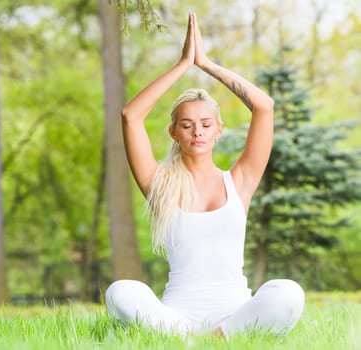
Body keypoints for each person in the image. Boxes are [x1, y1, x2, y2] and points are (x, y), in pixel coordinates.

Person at [104, 12, 305, 339]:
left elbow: (264, 107)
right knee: (120, 291)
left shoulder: (239, 182)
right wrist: (183, 64)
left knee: (289, 293)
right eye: (187, 124)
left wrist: (206, 64)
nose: (197, 131)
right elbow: (131, 116)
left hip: (236, 312)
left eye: (206, 124)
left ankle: (213, 338)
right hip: (176, 315)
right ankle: (193, 337)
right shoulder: (161, 186)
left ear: (218, 131)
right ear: (174, 132)